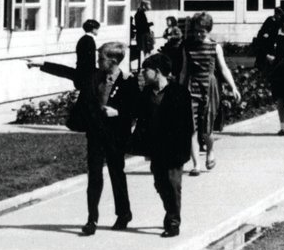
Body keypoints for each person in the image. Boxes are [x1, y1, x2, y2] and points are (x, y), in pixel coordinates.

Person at [37, 41, 137, 234]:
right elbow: (69, 73)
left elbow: (135, 108)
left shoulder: (128, 80)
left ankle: (123, 213)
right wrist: (41, 65)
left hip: (116, 135)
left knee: (117, 174)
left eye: (101, 59)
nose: (98, 62)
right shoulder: (93, 77)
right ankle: (92, 219)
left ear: (114, 60)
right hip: (95, 133)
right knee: (94, 176)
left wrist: (118, 113)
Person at [129, 64, 193, 238]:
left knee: (172, 184)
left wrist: (183, 149)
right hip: (156, 147)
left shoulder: (179, 92)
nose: (142, 73)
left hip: (174, 148)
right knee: (160, 183)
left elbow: (187, 125)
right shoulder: (147, 92)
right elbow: (138, 114)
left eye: (145, 70)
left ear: (157, 71)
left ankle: (173, 222)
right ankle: (170, 212)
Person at [180, 12, 240, 174]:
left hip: (209, 87)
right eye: (197, 31)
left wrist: (233, 87)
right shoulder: (188, 47)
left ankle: (210, 151)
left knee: (207, 129)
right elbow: (184, 71)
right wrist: (178, 91)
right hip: (192, 87)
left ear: (208, 30)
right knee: (191, 128)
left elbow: (223, 68)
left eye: (203, 31)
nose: (199, 34)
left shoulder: (215, 46)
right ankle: (196, 165)